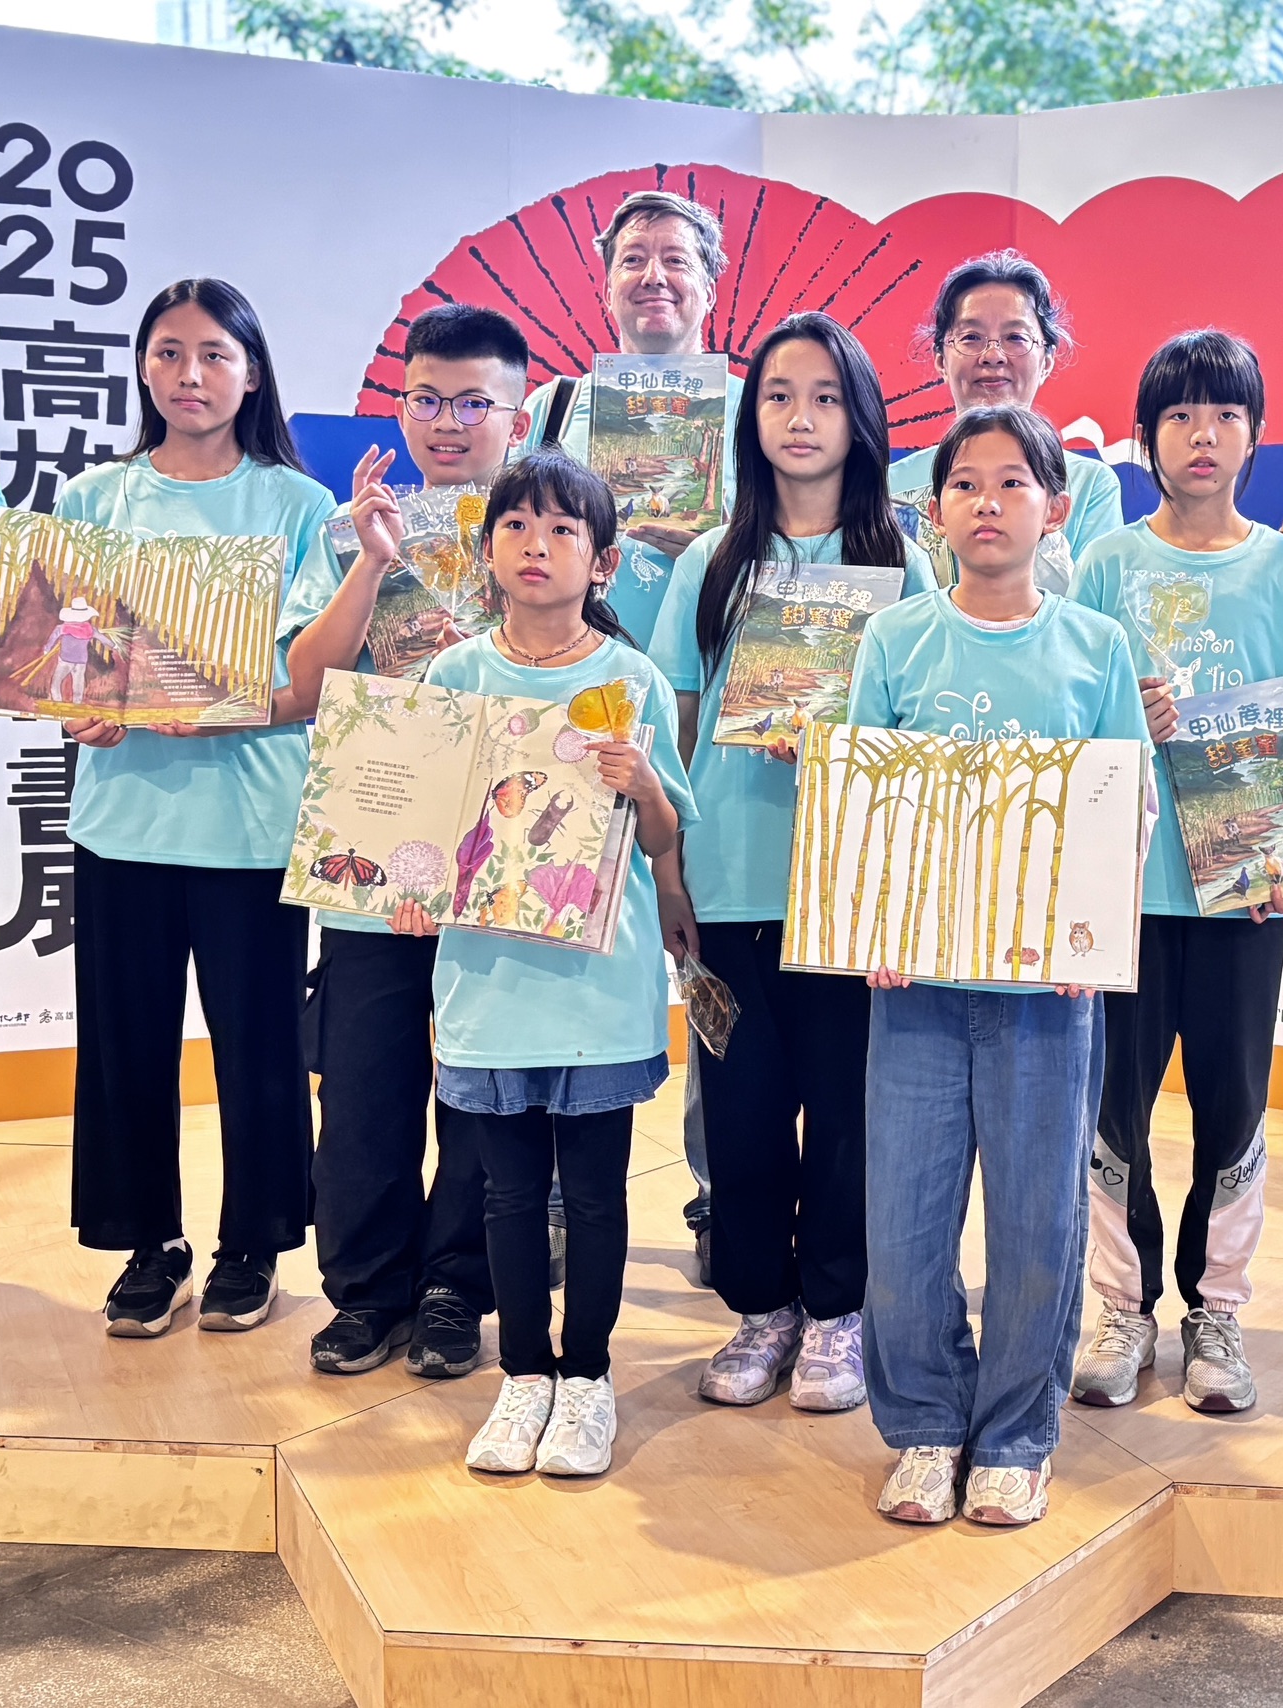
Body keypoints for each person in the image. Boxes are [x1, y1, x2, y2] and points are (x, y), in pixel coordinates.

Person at [850, 405, 1151, 1528]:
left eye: (1013, 482)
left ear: (1054, 509)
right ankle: (925, 1423)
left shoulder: (1095, 646)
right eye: (965, 483)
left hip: (1047, 998)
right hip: (915, 991)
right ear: (933, 511)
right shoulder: (895, 640)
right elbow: (864, 804)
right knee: (905, 1225)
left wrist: (1093, 931)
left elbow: (1126, 804)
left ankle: (1018, 1433)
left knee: (1037, 1226)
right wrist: (873, 925)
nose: (988, 501)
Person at [647, 312, 932, 1413]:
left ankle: (838, 1308)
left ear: (860, 419)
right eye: (776, 395)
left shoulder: (901, 563)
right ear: (748, 417)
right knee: (743, 1109)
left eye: (823, 397)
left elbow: (924, 729)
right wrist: (671, 872)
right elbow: (674, 728)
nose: (799, 418)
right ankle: (759, 1303)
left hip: (853, 892)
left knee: (850, 1113)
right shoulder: (710, 564)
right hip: (731, 884)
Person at [393, 452, 695, 1479]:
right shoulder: (454, 677)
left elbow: (663, 837)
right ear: (485, 550)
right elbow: (415, 828)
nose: (537, 544)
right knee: (508, 1194)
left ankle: (589, 1376)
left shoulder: (628, 680)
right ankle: (524, 1372)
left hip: (597, 987)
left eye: (564, 529)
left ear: (602, 561)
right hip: (487, 986)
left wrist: (642, 783)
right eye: (516, 526)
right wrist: (403, 884)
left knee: (597, 1194)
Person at [1068, 330, 1283, 1415]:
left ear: (1254, 434)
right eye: (1178, 414)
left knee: (1234, 1108)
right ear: (1145, 437)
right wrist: (1117, 717)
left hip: (1245, 893)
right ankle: (1121, 1308)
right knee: (1112, 1112)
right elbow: (1070, 721)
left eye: (1224, 413)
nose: (1202, 434)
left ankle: (1216, 1309)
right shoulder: (1104, 566)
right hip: (1122, 894)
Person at [58, 279, 332, 1339]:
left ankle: (252, 1244)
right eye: (168, 352)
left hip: (251, 823)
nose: (190, 375)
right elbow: (64, 656)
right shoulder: (95, 499)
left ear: (251, 373)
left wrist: (212, 704)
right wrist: (76, 706)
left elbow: (310, 673)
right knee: (124, 1043)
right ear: (142, 367)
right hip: (122, 821)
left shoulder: (297, 506)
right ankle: (149, 1244)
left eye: (215, 354)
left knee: (259, 1048)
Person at [276, 304, 533, 1377]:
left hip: (505, 849)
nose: (447, 422)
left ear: (518, 418)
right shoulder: (349, 531)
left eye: (475, 402)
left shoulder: (546, 531)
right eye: (427, 399)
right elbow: (302, 686)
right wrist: (370, 566)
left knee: (482, 1082)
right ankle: (366, 1291)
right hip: (373, 843)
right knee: (365, 1078)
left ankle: (453, 1289)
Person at [514, 189, 742, 1279]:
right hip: (575, 715)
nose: (654, 277)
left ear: (712, 283)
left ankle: (717, 1189)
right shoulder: (558, 404)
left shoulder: (750, 408)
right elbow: (511, 537)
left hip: (709, 716)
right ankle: (557, 1200)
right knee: (566, 937)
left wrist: (700, 532)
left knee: (706, 954)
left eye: (676, 260)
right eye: (633, 259)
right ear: (604, 282)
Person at [886, 251, 1126, 594]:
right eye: (971, 337)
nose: (993, 356)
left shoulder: (1090, 487)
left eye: (1015, 338)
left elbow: (1095, 609)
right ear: (940, 359)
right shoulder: (891, 486)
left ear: (1047, 359)